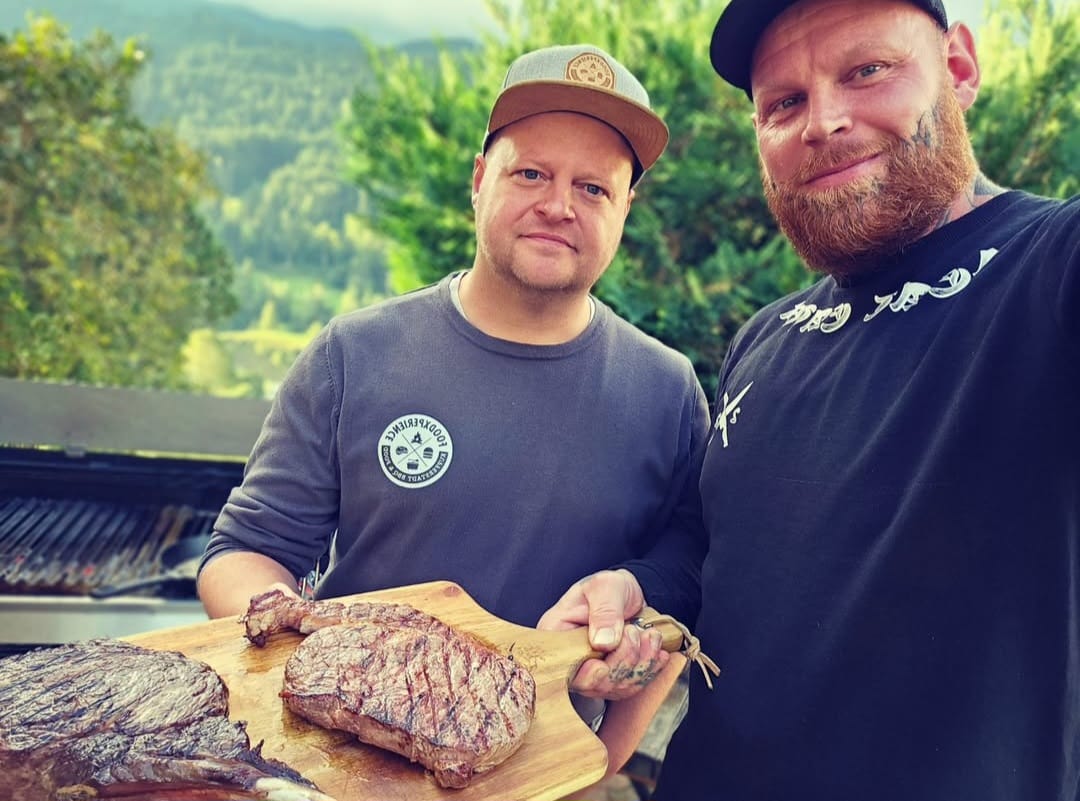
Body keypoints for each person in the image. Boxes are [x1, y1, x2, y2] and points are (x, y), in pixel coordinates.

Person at [540, 1, 1080, 798]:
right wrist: (640, 588)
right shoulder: (766, 338)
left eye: (868, 70)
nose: (822, 122)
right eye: (784, 102)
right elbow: (711, 545)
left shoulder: (1049, 272)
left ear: (959, 68)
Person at [195, 43, 710, 778]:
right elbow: (244, 550)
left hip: (547, 777)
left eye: (593, 187)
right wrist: (311, 648)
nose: (558, 205)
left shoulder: (667, 390)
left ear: (624, 209)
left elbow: (685, 574)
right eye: (531, 173)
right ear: (478, 181)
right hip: (340, 773)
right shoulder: (355, 353)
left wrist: (605, 756)